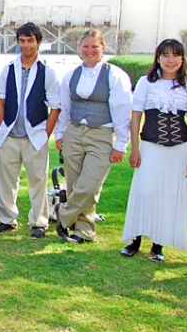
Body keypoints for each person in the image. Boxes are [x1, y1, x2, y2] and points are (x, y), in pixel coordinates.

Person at [121, 39, 187, 262]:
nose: (170, 60)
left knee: (169, 194)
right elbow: (136, 116)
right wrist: (135, 149)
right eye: (165, 55)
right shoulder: (146, 83)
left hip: (179, 148)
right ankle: (135, 239)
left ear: (182, 58)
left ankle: (158, 244)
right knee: (145, 191)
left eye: (175, 55)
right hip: (150, 145)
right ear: (158, 58)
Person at [53, 29, 132, 244]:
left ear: (103, 48)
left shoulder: (115, 75)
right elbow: (64, 107)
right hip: (74, 131)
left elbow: (122, 111)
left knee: (89, 185)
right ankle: (84, 232)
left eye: (94, 46)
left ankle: (63, 214)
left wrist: (121, 144)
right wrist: (60, 134)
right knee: (74, 183)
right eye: (85, 46)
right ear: (80, 48)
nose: (89, 51)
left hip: (102, 134)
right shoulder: (71, 75)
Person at [0, 23, 61, 239]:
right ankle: (6, 218)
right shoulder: (8, 69)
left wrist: (45, 134)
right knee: (5, 181)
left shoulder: (47, 71)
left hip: (35, 135)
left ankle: (39, 222)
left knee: (38, 181)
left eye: (30, 40)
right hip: (9, 134)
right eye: (22, 40)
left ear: (38, 42)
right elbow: (0, 101)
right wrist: (2, 127)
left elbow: (55, 106)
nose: (26, 45)